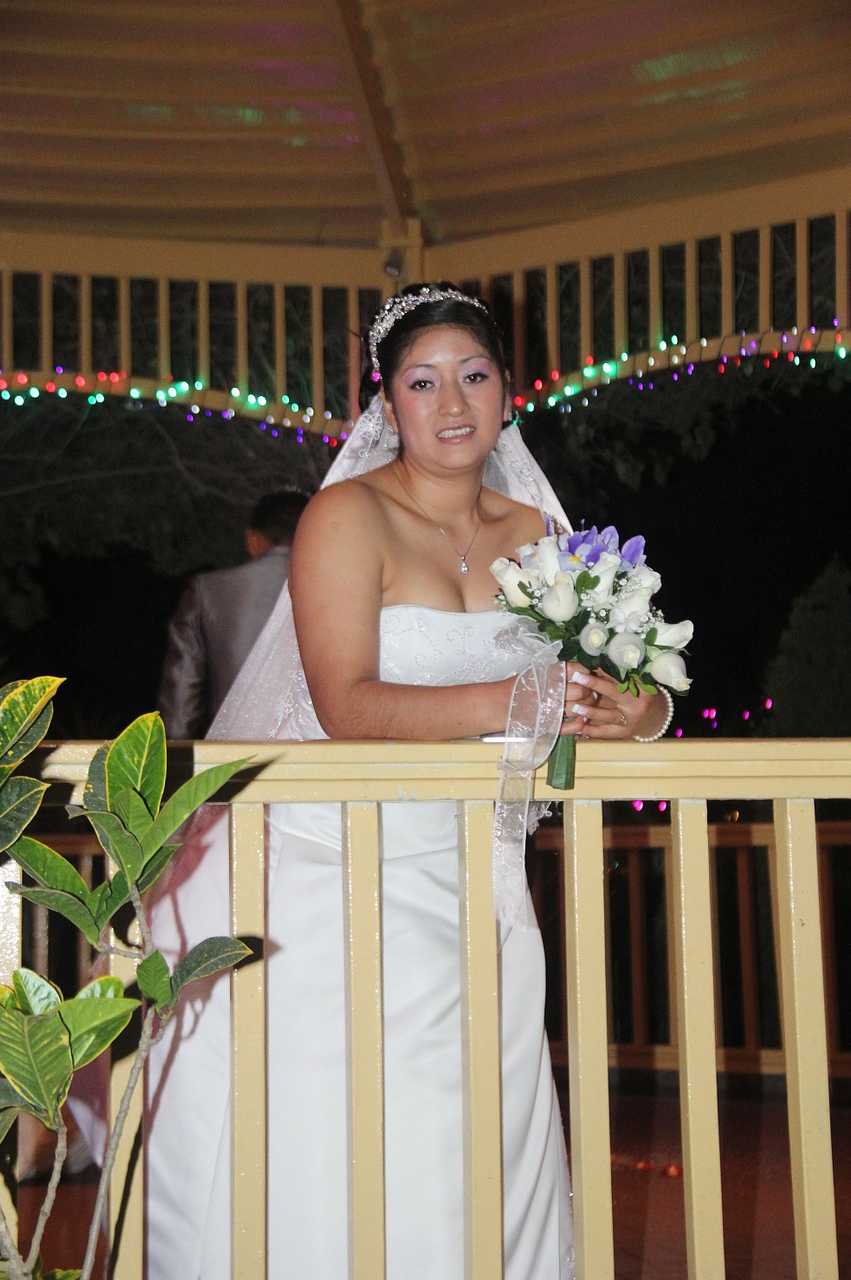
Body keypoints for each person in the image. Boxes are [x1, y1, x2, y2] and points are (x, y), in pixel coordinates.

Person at [145, 284, 672, 1279]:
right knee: (383, 1126)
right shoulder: (346, 516)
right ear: (387, 404)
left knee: (486, 1121)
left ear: (507, 392)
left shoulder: (539, 532)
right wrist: (521, 697)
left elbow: (620, 679)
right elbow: (347, 701)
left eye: (473, 376)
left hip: (484, 864)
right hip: (343, 862)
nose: (452, 402)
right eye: (422, 382)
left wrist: (641, 712)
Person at [156, 490, 308, 738]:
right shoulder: (342, 589)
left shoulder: (207, 591)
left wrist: (173, 766)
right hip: (320, 759)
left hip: (233, 758)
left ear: (253, 539)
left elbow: (180, 705)